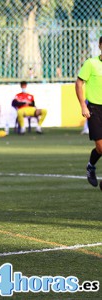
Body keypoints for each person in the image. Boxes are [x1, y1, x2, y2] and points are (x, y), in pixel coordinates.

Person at [75, 35, 102, 188]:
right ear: (100, 46)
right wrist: (82, 105)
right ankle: (91, 166)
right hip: (94, 109)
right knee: (100, 148)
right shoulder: (91, 63)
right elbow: (79, 83)